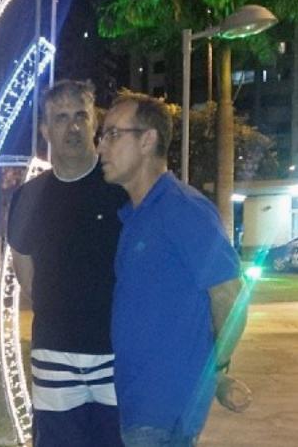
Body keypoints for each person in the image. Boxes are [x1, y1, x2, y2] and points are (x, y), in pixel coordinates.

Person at [97, 90, 249, 446]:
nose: (101, 147)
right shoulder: (136, 215)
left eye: (113, 134)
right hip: (140, 404)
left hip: (163, 413)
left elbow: (230, 296)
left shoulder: (182, 209)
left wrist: (217, 370)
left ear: (147, 140)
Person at [7, 80, 128, 447]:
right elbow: (25, 274)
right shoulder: (28, 197)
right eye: (60, 118)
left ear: (95, 124)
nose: (72, 127)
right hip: (54, 355)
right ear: (45, 130)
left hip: (117, 354)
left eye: (80, 116)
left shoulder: (122, 189)